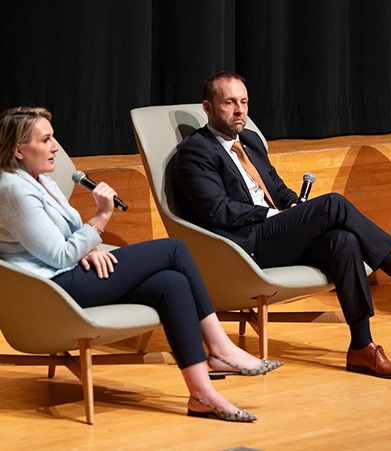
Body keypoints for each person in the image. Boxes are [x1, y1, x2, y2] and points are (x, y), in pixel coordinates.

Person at [174, 71, 391, 379]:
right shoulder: (196, 151)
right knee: (333, 203)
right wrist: (274, 217)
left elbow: (277, 189)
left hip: (273, 235)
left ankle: (362, 346)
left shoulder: (249, 140)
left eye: (244, 102)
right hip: (241, 246)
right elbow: (217, 211)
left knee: (343, 241)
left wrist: (293, 206)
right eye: (229, 103)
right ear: (208, 108)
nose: (240, 111)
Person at [0, 107, 284, 423]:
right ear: (18, 150)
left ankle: (202, 394)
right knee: (173, 249)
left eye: (53, 138)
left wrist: (87, 246)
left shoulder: (42, 181)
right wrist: (101, 218)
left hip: (69, 274)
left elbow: (64, 236)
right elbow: (58, 255)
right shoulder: (13, 188)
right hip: (51, 290)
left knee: (171, 284)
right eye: (46, 139)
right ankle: (219, 347)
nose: (55, 147)